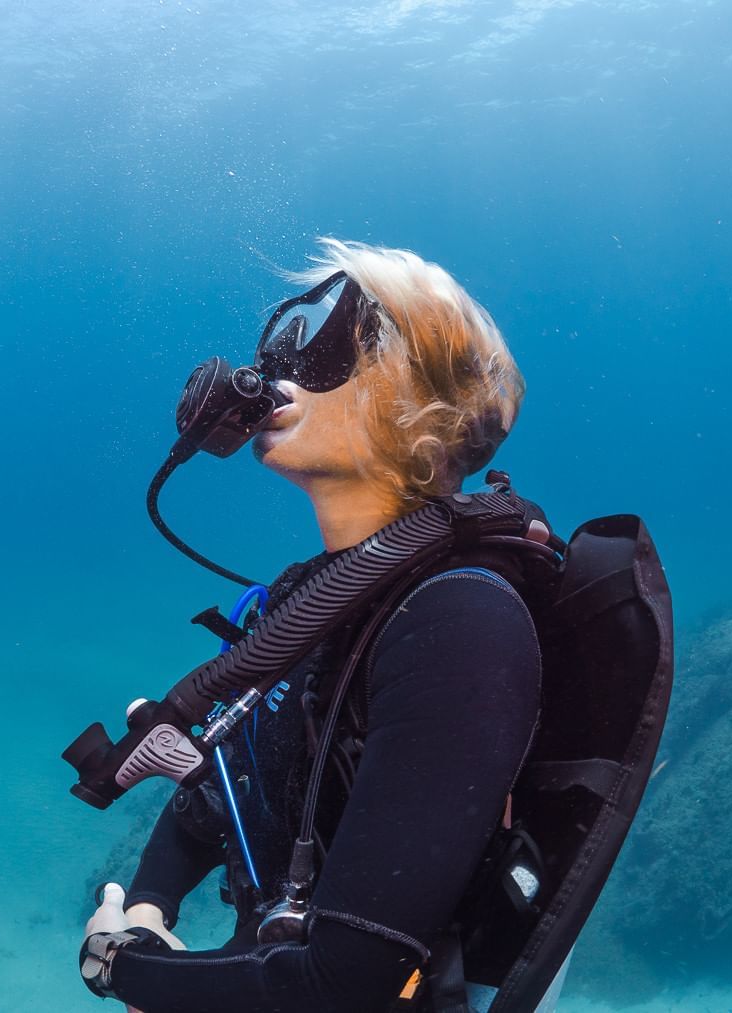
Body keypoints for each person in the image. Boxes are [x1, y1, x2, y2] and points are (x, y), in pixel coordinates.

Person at [80, 238, 547, 1012]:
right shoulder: (316, 595)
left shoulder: (461, 623)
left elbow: (343, 982)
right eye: (287, 346)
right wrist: (150, 906)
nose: (280, 376)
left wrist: (118, 967)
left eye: (334, 350)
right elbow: (228, 783)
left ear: (419, 406)